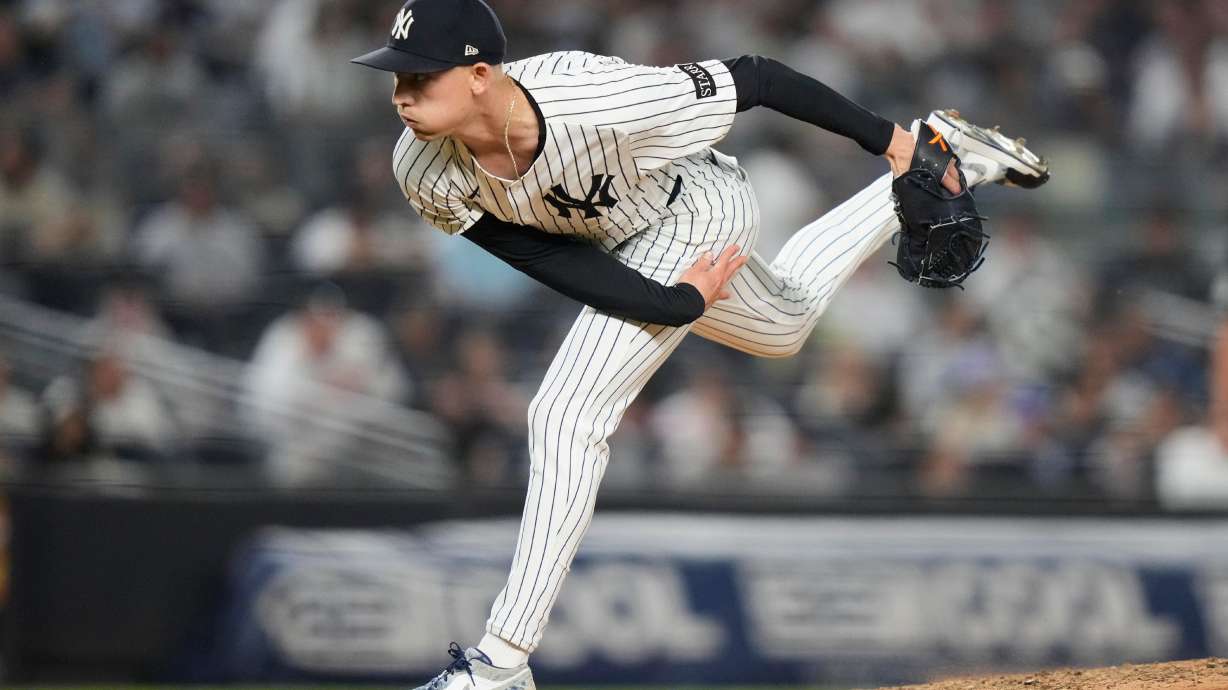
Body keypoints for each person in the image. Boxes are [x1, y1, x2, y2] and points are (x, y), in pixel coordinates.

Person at [352, 1, 1050, 687]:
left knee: (565, 415)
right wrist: (674, 303)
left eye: (421, 77)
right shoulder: (422, 167)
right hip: (617, 247)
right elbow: (551, 260)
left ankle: (501, 664)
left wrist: (894, 142)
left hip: (692, 208)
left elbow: (758, 77)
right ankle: (948, 151)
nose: (403, 95)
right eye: (396, 76)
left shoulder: (595, 95)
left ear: (479, 75)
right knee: (785, 326)